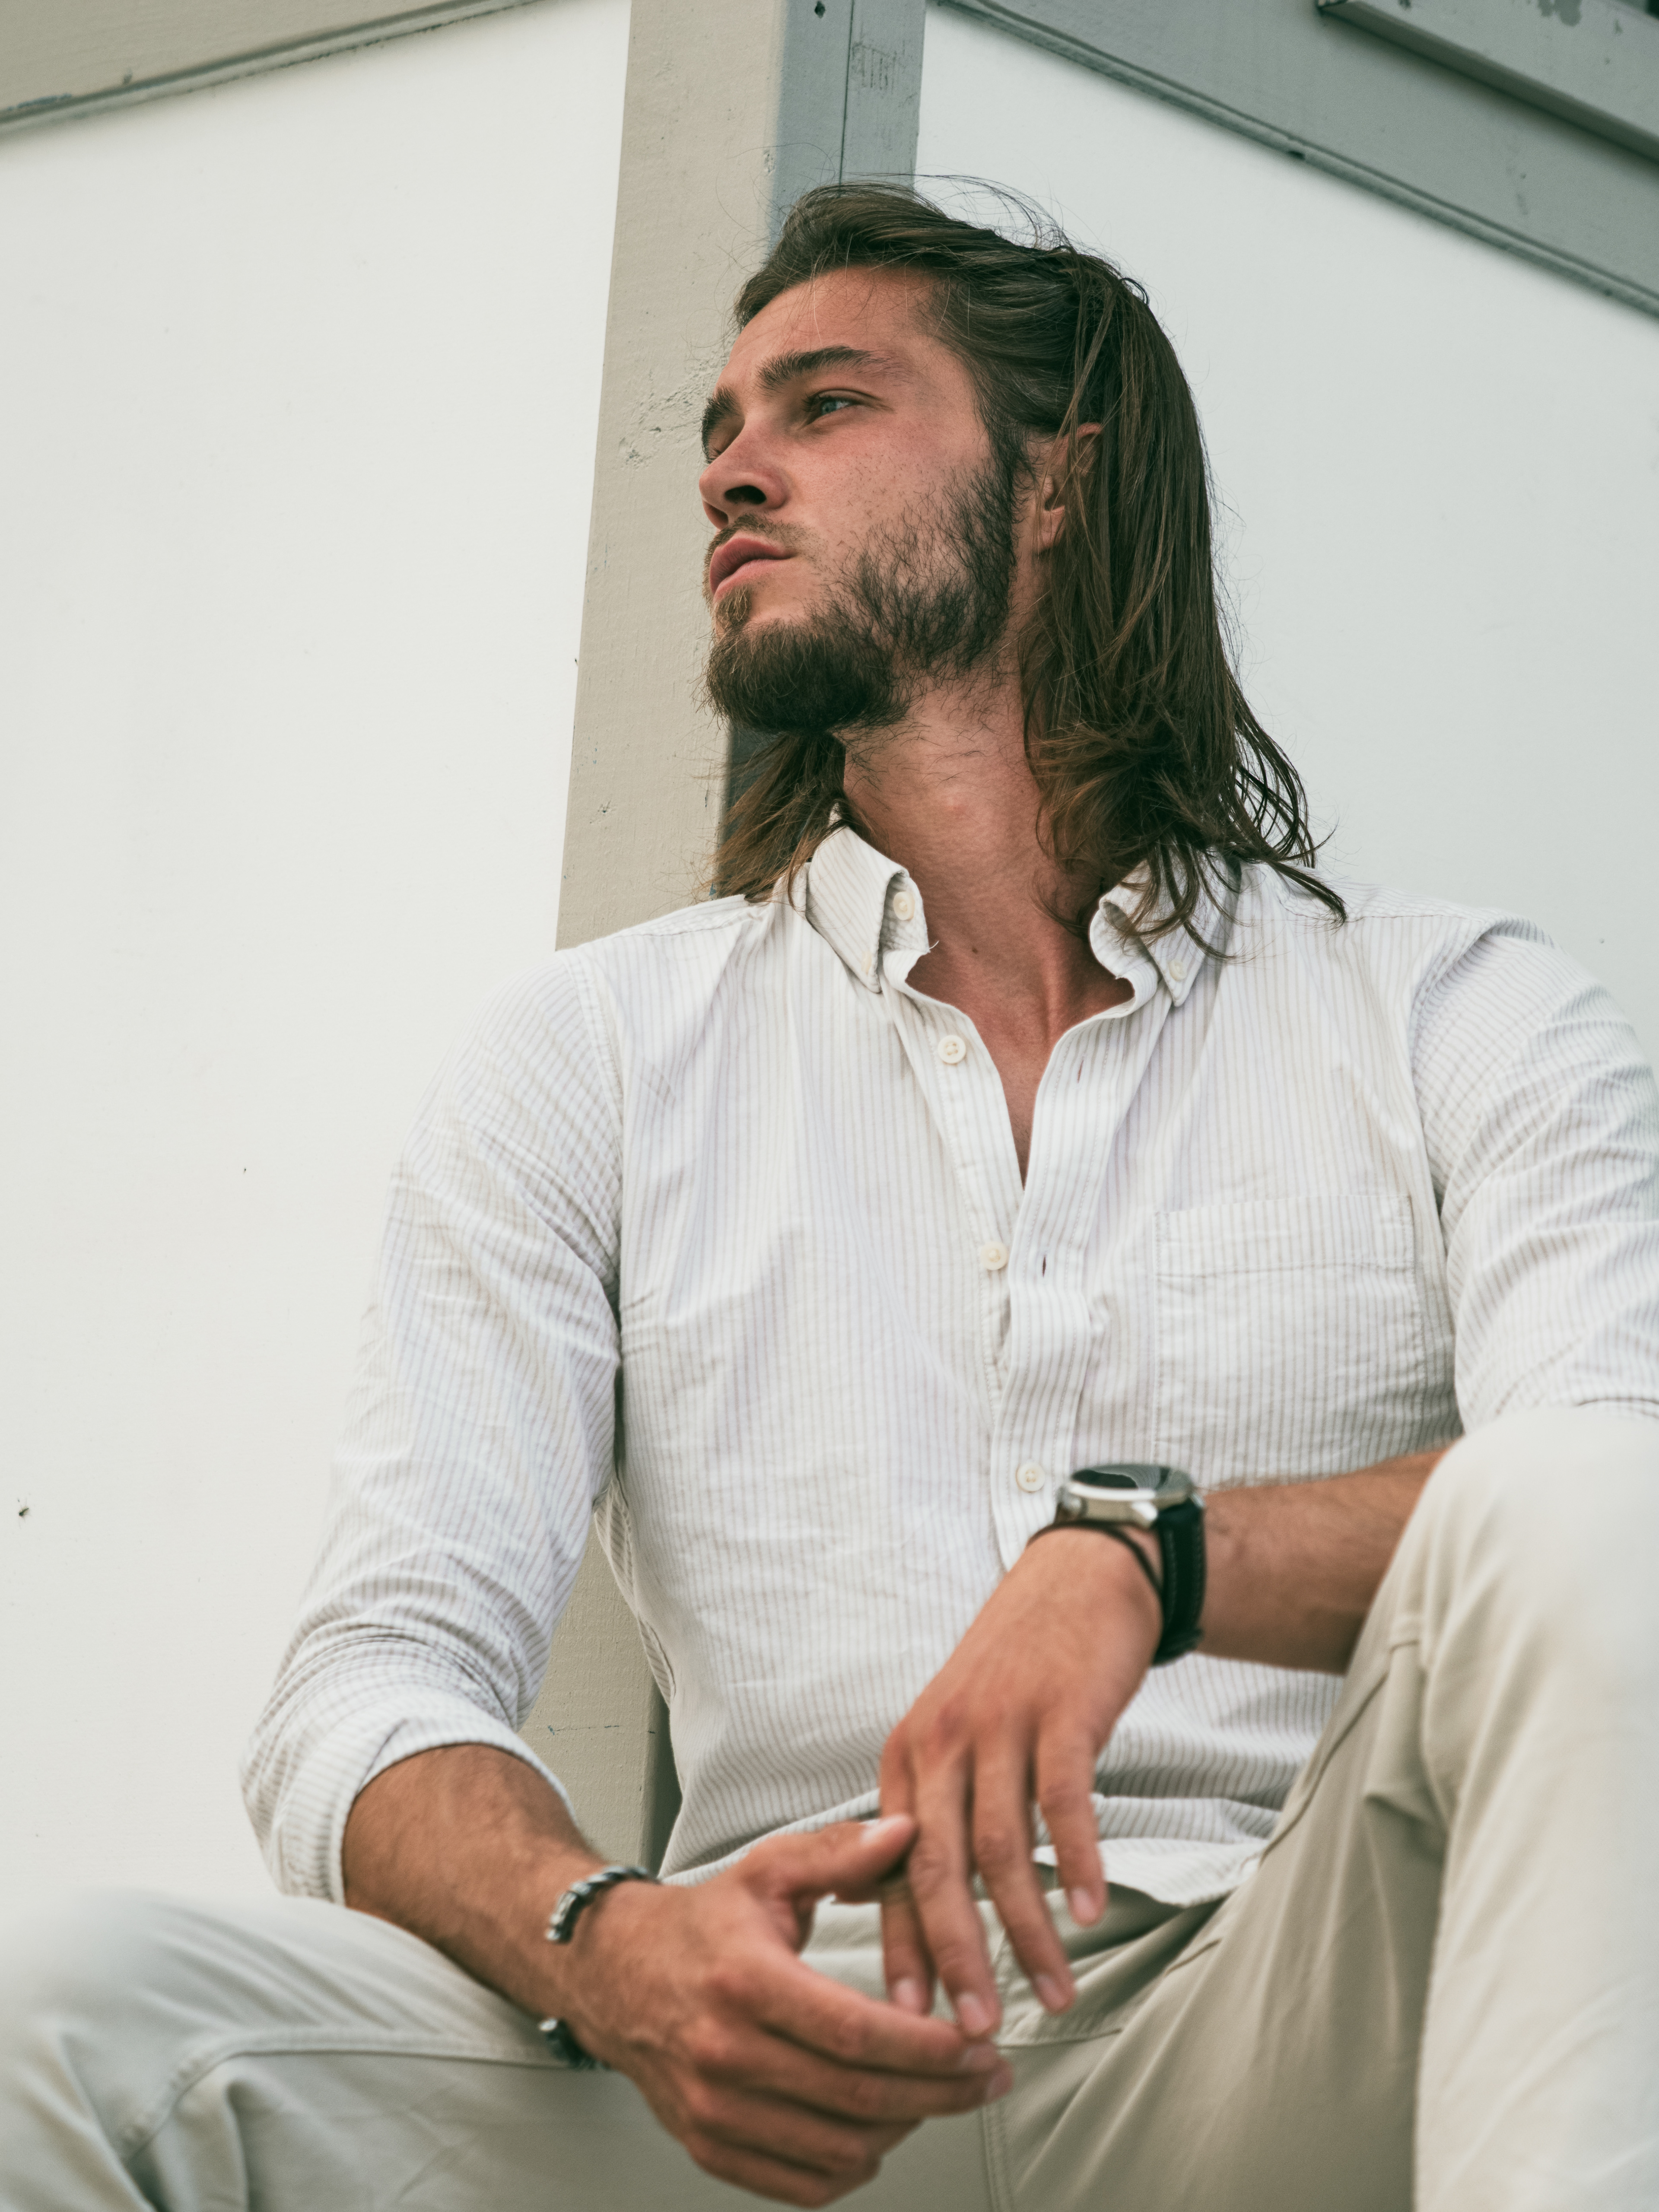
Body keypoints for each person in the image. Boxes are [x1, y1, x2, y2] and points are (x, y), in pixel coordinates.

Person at [4, 182, 1658, 2212]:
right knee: (57, 2013)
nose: (734, 469)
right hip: (771, 2064)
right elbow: (367, 1685)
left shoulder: (1453, 1012)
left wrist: (1151, 1558)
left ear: (1055, 484)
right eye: (718, 431)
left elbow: (1612, 1494)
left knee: (1595, 1494)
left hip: (1276, 2018)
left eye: (826, 403)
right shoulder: (591, 1056)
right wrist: (609, 1941)